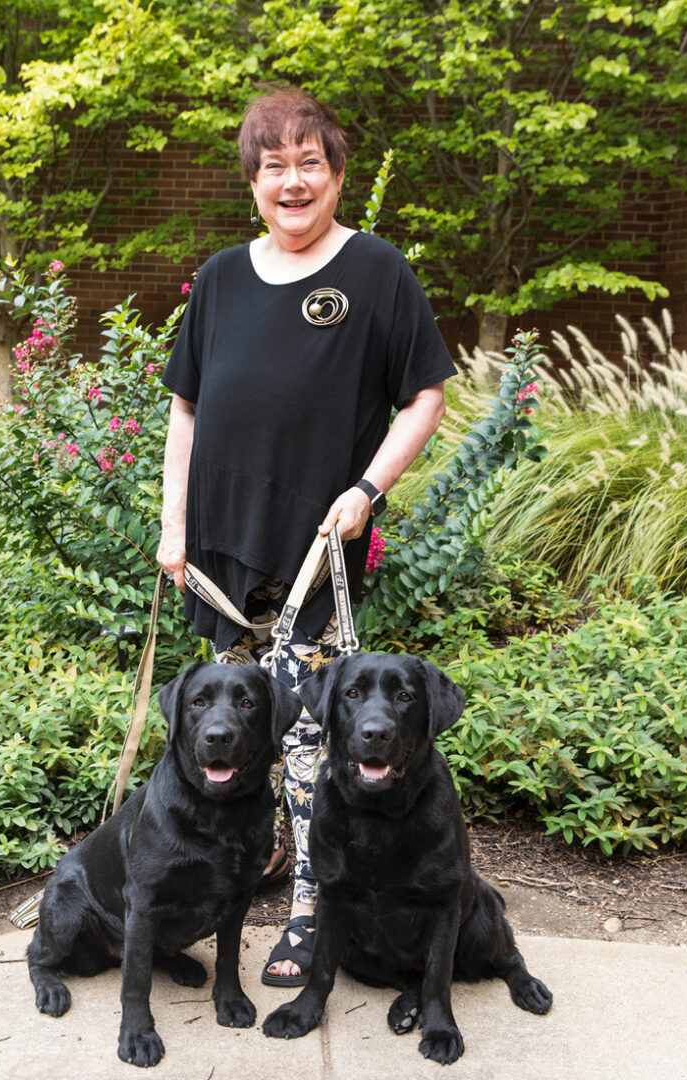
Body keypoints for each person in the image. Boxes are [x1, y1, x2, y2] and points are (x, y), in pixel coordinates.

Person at [156, 87, 457, 986]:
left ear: (335, 174)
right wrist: (173, 526)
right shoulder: (220, 278)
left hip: (315, 552)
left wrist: (369, 486)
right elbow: (186, 409)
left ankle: (307, 918)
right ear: (253, 181)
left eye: (309, 164)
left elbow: (425, 396)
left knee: (307, 748)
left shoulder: (374, 272)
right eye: (274, 166)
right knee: (232, 732)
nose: (293, 182)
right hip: (220, 552)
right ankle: (251, 876)